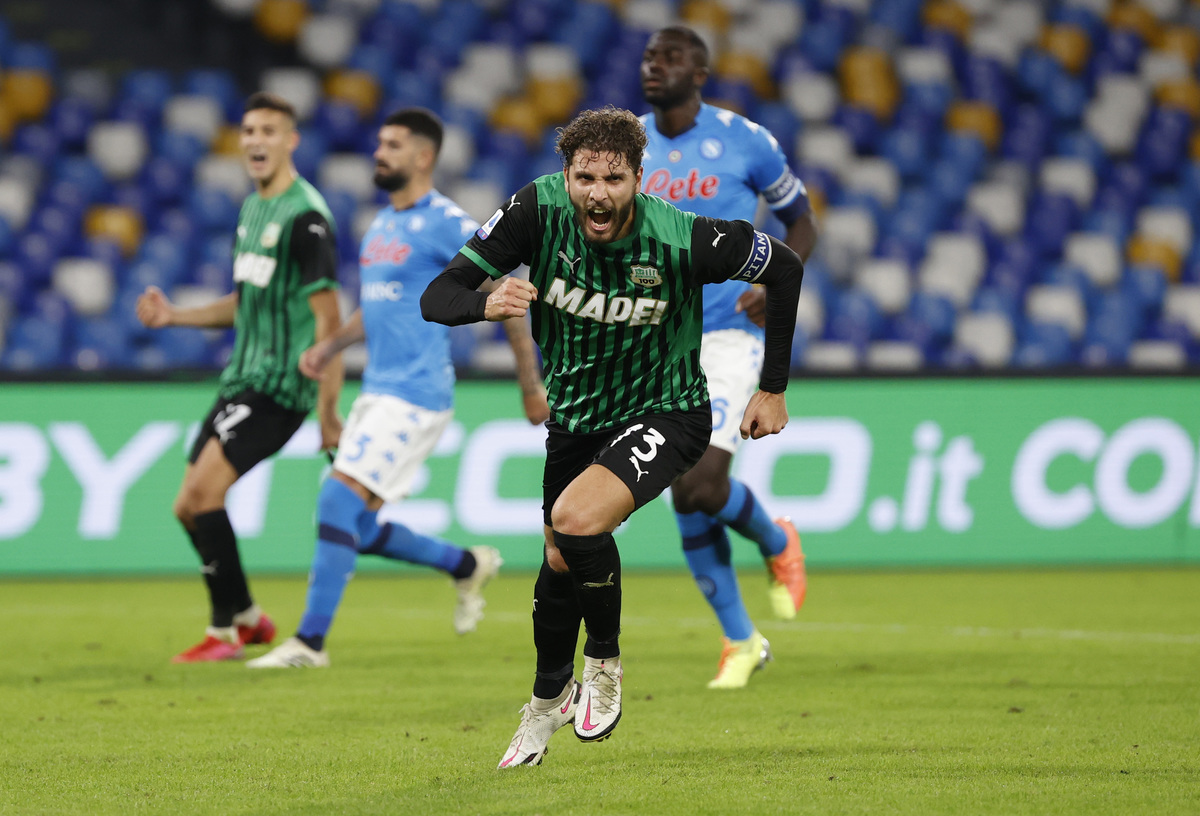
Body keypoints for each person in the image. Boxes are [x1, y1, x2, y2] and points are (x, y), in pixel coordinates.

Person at [420, 105, 804, 767]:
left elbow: (786, 265)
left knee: (575, 520)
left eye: (614, 179)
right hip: (575, 419)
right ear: (566, 176)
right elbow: (438, 295)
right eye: (585, 178)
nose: (598, 193)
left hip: (668, 411)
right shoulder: (534, 212)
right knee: (558, 561)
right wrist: (484, 303)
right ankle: (546, 702)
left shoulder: (681, 236)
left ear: (638, 179)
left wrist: (772, 387)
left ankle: (603, 664)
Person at [246, 108, 549, 669]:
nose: (379, 152)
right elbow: (378, 306)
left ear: (423, 156)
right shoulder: (380, 225)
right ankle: (465, 565)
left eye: (391, 145)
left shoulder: (446, 222)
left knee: (336, 500)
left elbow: (507, 296)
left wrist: (529, 386)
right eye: (379, 143)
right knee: (355, 525)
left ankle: (309, 644)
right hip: (377, 391)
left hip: (416, 393)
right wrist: (330, 347)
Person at [639, 25, 819, 689]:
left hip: (726, 338)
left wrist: (773, 286)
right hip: (652, 342)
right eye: (649, 57)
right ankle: (741, 640)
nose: (654, 66)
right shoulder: (628, 144)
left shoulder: (747, 140)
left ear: (700, 74)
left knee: (700, 484)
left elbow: (802, 223)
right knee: (684, 499)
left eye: (670, 58)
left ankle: (775, 540)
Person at [136, 92, 343, 663]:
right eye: (248, 130)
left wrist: (328, 413)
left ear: (290, 141)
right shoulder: (252, 210)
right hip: (241, 379)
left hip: (279, 388)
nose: (255, 140)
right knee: (186, 506)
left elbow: (329, 323)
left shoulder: (306, 218)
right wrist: (175, 316)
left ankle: (223, 633)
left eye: (268, 131)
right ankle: (249, 617)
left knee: (204, 494)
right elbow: (245, 302)